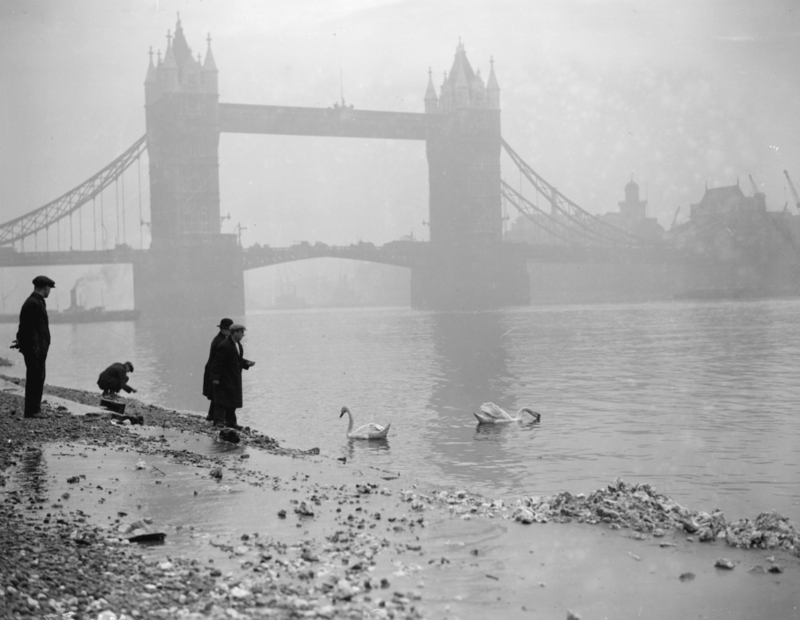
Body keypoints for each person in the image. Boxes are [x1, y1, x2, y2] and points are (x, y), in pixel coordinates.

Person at [11, 275, 55, 418]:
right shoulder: (34, 303)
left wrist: (20, 341)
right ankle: (33, 411)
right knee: (35, 378)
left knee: (37, 377)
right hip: (35, 349)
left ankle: (34, 409)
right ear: (45, 287)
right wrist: (31, 346)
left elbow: (25, 326)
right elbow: (26, 327)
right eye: (49, 289)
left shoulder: (35, 301)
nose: (50, 291)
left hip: (37, 349)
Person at [211, 324, 255, 430]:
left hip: (234, 377)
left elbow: (237, 359)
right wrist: (215, 378)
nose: (243, 335)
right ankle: (218, 421)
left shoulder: (238, 345)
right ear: (234, 332)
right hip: (224, 377)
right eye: (241, 332)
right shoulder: (224, 345)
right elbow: (217, 363)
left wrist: (246, 363)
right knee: (221, 400)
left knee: (233, 400)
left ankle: (231, 422)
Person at [203, 318, 233, 421]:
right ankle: (216, 417)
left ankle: (211, 415)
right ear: (224, 329)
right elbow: (219, 360)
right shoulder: (221, 341)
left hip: (213, 370)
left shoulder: (220, 339)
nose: (231, 332)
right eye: (230, 330)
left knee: (215, 395)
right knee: (218, 395)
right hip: (215, 371)